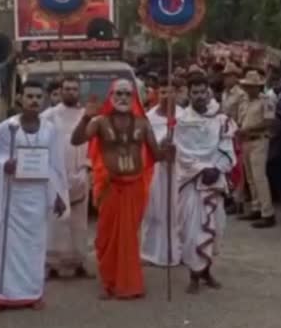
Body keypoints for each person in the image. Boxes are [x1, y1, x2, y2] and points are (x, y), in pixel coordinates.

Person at [0, 81, 67, 314]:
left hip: (38, 197)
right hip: (13, 197)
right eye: (29, 96)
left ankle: (33, 293)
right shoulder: (7, 128)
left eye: (38, 96)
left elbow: (55, 165)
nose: (34, 100)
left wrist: (59, 195)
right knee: (6, 247)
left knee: (35, 247)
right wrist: (5, 164)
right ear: (20, 98)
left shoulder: (50, 130)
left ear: (43, 100)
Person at [71, 78, 170, 300]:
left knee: (129, 237)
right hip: (110, 187)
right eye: (119, 94)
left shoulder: (143, 124)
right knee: (107, 238)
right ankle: (109, 282)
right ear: (111, 97)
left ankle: (130, 283)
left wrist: (167, 150)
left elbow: (156, 155)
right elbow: (76, 140)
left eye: (127, 94)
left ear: (133, 97)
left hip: (134, 186)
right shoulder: (99, 122)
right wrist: (86, 116)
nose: (123, 98)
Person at [175, 74, 235, 293]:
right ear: (189, 95)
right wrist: (202, 169)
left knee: (214, 227)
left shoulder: (220, 119)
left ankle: (207, 271)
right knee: (191, 231)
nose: (200, 96)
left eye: (203, 92)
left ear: (209, 91)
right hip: (191, 182)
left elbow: (226, 148)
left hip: (214, 180)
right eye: (195, 93)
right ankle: (193, 275)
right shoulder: (182, 122)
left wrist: (216, 168)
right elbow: (182, 154)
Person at [41, 77, 91, 278]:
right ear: (60, 92)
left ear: (79, 92)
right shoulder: (49, 116)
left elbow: (91, 144)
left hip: (80, 173)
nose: (71, 92)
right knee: (56, 220)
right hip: (56, 175)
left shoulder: (86, 116)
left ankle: (79, 263)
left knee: (79, 222)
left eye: (74, 89)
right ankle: (52, 264)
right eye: (67, 89)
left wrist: (87, 168)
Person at [141, 77, 183, 267]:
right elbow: (143, 146)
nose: (167, 96)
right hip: (156, 171)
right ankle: (151, 252)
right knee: (155, 211)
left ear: (178, 93)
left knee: (177, 211)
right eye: (163, 92)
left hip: (179, 170)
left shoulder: (184, 116)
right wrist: (159, 145)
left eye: (171, 92)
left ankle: (178, 251)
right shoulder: (149, 117)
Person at [237, 70, 277, 228]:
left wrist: (249, 129)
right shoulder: (245, 101)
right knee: (251, 178)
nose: (248, 89)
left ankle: (268, 212)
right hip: (246, 140)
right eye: (247, 86)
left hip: (259, 140)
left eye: (251, 86)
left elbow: (269, 122)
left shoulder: (266, 101)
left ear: (258, 87)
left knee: (260, 177)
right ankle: (256, 207)